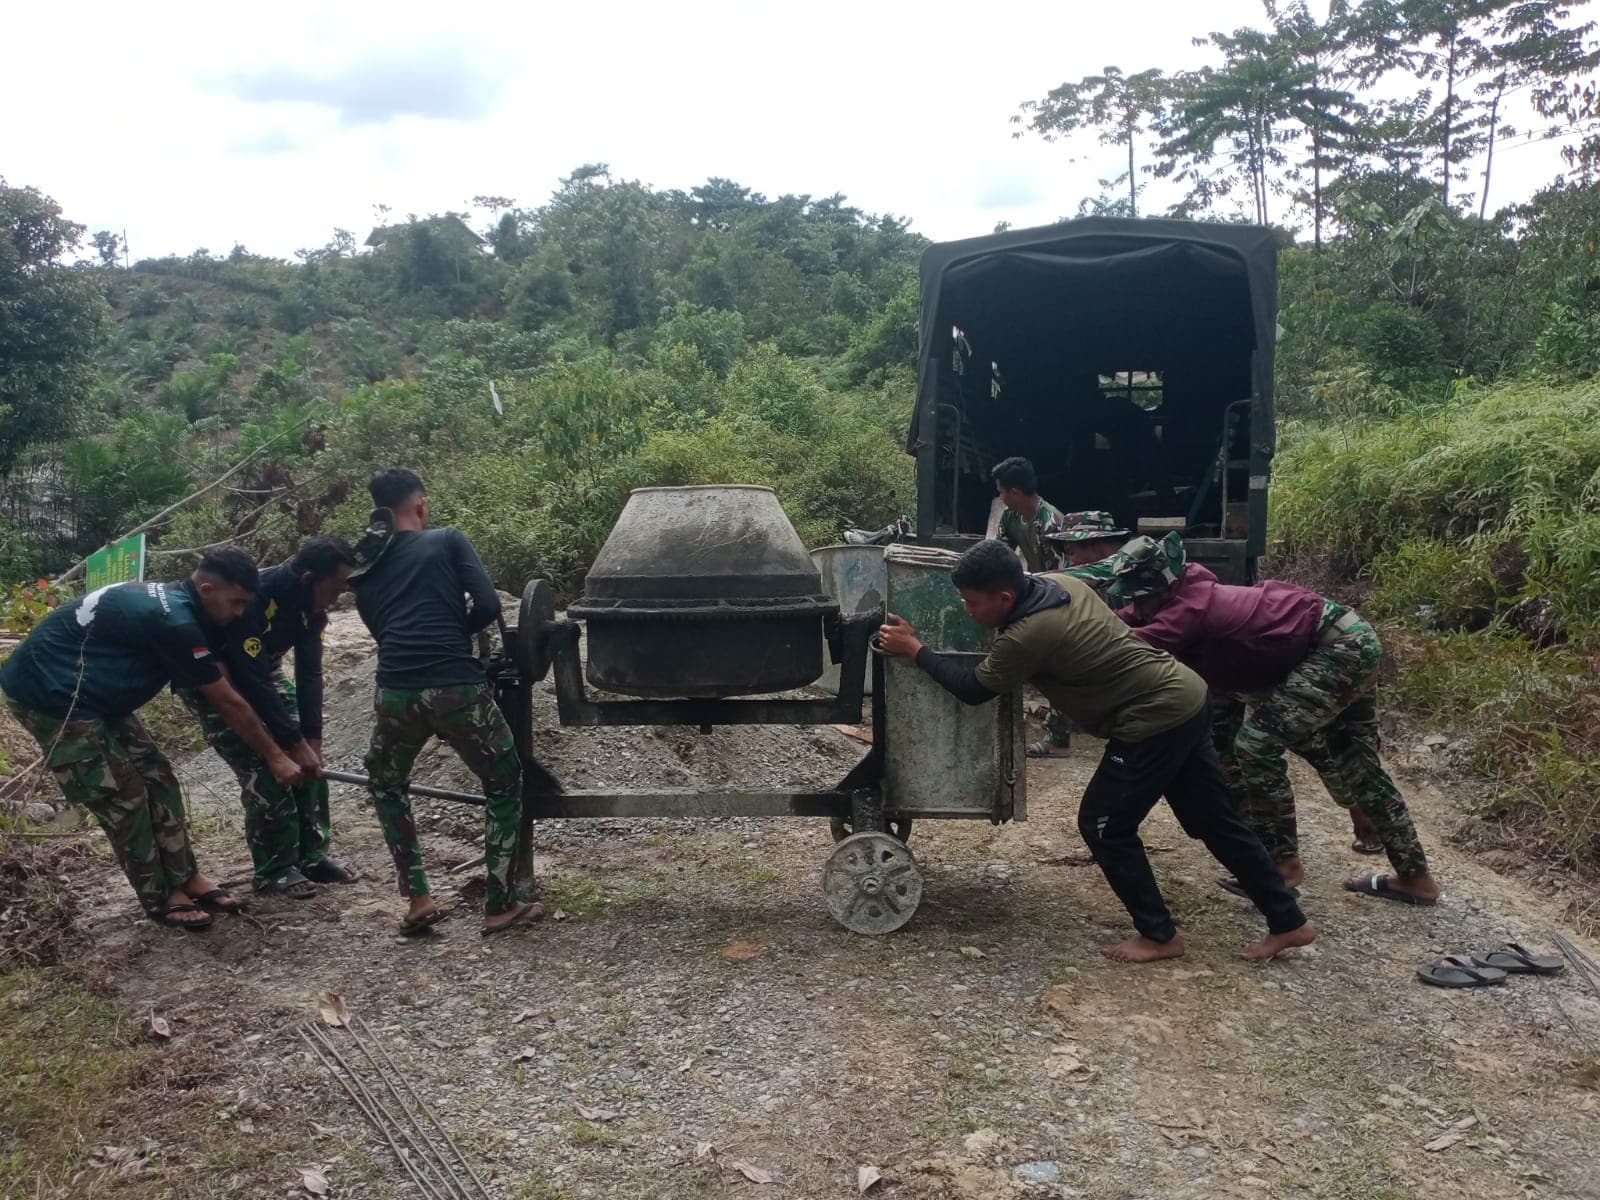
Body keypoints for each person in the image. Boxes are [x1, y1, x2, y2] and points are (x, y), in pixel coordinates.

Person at [876, 539, 1314, 962]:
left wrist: (915, 650)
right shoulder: (1064, 586)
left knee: (1105, 826)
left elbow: (973, 690)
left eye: (972, 603)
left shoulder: (1029, 634)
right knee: (1213, 820)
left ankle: (1159, 935)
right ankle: (1288, 920)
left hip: (1153, 718)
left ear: (1006, 596)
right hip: (1186, 695)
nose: (967, 611)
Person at [1108, 534, 1440, 906]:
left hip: (1337, 648)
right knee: (1236, 747)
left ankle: (1282, 867)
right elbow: (1121, 620)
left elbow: (1116, 644)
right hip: (1339, 640)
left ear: (1162, 588)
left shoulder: (1188, 614)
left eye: (1141, 595)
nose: (1136, 604)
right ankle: (1415, 879)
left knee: (1257, 747)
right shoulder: (1175, 595)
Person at [0, 549, 305, 930]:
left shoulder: (184, 605)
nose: (240, 612)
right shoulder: (175, 621)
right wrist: (276, 756)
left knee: (157, 777)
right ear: (207, 589)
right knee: (123, 797)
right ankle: (160, 897)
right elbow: (226, 700)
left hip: (97, 696)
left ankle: (185, 877)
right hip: (51, 696)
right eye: (237, 602)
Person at [352, 468, 539, 936]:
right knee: (503, 781)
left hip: (394, 690)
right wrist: (456, 633)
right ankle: (500, 903)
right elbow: (490, 605)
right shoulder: (447, 540)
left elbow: (373, 620)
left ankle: (418, 898)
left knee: (386, 782)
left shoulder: (365, 561)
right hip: (455, 686)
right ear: (419, 506)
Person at [177, 536, 360, 899]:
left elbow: (309, 674)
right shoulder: (256, 598)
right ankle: (274, 868)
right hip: (219, 677)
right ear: (309, 579)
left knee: (309, 763)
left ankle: (312, 856)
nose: (338, 597)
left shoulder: (312, 609)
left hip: (264, 669)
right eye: (335, 588)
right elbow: (250, 681)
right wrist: (286, 744)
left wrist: (311, 740)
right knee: (266, 763)